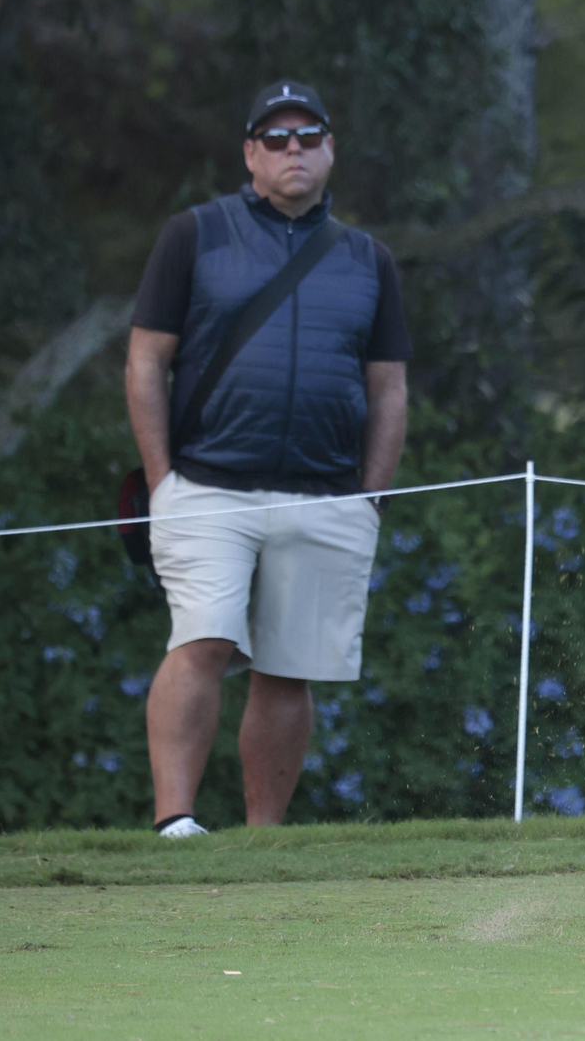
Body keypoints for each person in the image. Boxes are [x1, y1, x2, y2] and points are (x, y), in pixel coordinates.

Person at [124, 80, 410, 838]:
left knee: (289, 668)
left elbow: (388, 390)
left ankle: (261, 840)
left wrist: (368, 497)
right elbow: (146, 361)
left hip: (325, 494)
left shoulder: (369, 259)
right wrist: (161, 481)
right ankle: (175, 821)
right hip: (208, 484)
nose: (294, 151)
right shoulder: (194, 234)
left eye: (308, 137)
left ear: (330, 149)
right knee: (205, 640)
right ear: (250, 152)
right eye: (276, 139)